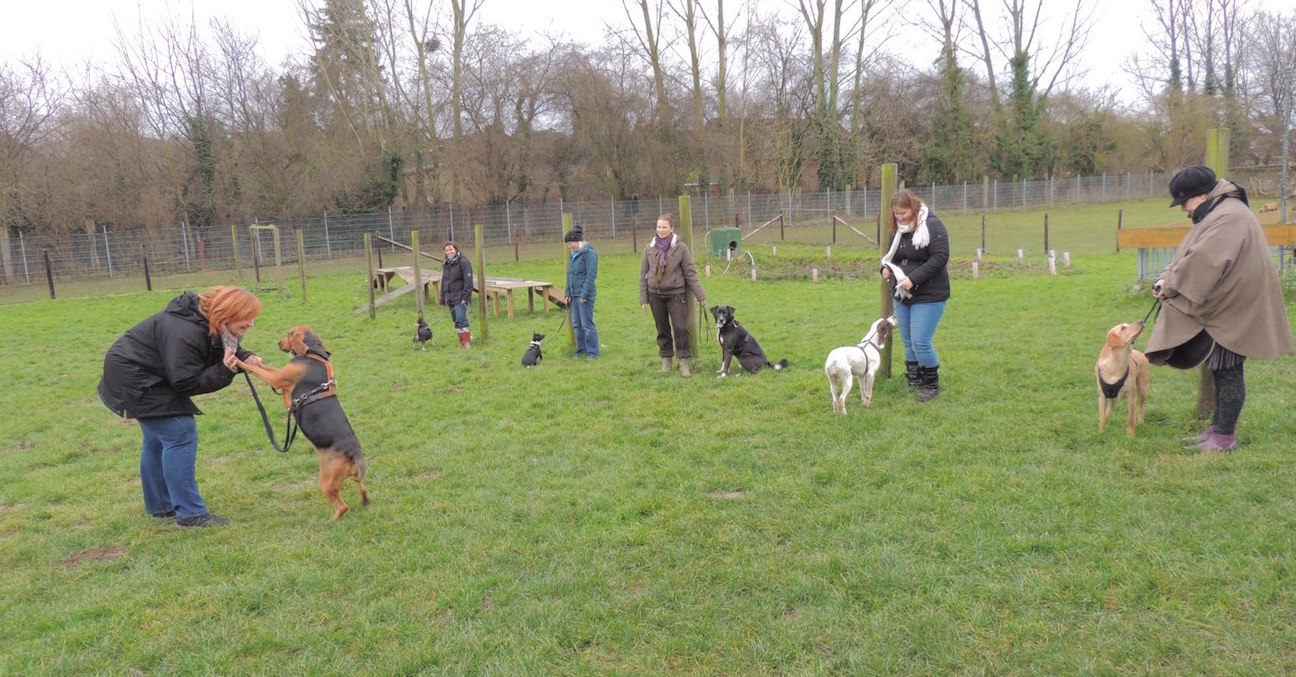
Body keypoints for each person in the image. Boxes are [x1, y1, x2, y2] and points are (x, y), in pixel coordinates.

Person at [1146, 165, 1293, 452]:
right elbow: (1189, 253)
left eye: (1184, 202)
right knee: (1221, 369)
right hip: (1229, 303)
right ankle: (1217, 428)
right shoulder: (1219, 212)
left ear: (1200, 196)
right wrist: (1167, 276)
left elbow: (1204, 261)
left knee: (1228, 370)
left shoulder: (1228, 216)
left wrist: (1171, 285)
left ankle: (1225, 437)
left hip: (1234, 308)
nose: (1183, 209)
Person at [97, 286, 263, 527]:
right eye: (246, 317)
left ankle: (161, 506)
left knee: (158, 438)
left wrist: (244, 356)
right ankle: (191, 514)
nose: (251, 324)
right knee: (179, 431)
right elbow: (186, 381)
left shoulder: (208, 319)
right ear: (225, 313)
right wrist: (225, 370)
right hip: (135, 377)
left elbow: (218, 344)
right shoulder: (185, 330)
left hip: (143, 372)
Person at [880, 188, 951, 402]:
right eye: (896, 214)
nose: (900, 218)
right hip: (902, 294)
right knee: (908, 340)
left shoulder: (932, 225)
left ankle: (931, 384)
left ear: (913, 207)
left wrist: (913, 279)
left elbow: (940, 257)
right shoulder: (898, 230)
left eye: (903, 213)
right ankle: (915, 378)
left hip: (930, 293)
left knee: (921, 341)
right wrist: (884, 269)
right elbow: (891, 256)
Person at [640, 213, 707, 377]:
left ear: (671, 228)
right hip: (655, 294)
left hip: (676, 294)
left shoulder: (680, 248)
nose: (660, 230)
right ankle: (666, 362)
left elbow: (690, 273)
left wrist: (701, 295)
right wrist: (644, 297)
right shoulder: (650, 247)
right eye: (658, 227)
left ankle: (684, 363)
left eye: (664, 227)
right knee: (662, 329)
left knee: (680, 328)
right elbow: (643, 274)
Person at [564, 226, 600, 359]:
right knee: (576, 325)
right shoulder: (573, 255)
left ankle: (593, 352)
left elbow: (591, 276)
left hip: (585, 295)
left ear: (577, 241)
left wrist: (584, 294)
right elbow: (570, 274)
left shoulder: (590, 254)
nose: (569, 246)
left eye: (570, 243)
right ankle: (581, 350)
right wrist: (567, 292)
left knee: (587, 325)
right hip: (573, 295)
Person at [441, 241, 474, 348]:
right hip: (450, 297)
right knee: (456, 321)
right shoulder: (446, 264)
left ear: (456, 249)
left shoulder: (463, 262)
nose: (449, 252)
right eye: (447, 250)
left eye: (451, 249)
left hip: (460, 297)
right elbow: (444, 281)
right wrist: (443, 297)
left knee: (461, 319)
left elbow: (468, 281)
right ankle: (462, 342)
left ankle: (467, 342)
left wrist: (466, 297)